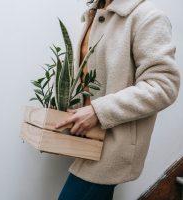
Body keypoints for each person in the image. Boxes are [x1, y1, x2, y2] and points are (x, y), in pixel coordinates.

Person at [55, 0, 181, 199]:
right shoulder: (97, 11)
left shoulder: (148, 16)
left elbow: (163, 85)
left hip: (112, 146)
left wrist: (98, 111)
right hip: (88, 140)